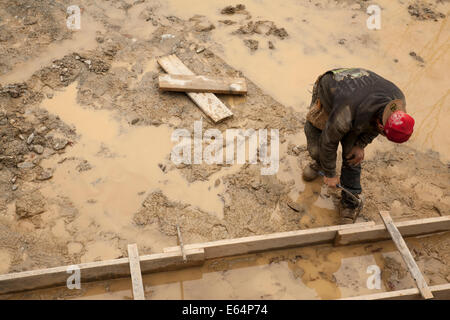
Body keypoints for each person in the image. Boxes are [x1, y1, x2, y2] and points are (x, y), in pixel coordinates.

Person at [303, 68, 415, 224]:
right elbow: (329, 141)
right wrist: (330, 173)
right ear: (381, 124)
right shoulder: (345, 115)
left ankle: (349, 202)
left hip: (357, 101)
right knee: (318, 147)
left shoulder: (397, 103)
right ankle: (319, 163)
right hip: (333, 88)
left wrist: (360, 145)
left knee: (352, 154)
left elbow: (375, 130)